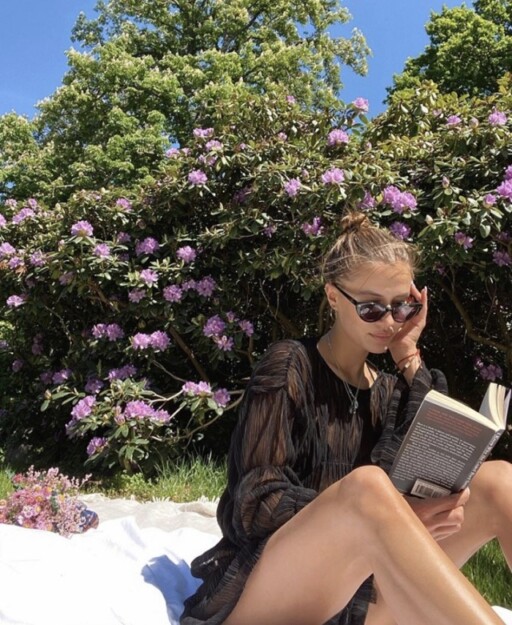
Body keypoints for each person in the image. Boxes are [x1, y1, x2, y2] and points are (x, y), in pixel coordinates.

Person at [181, 211, 512, 625]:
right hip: (264, 590)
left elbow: (430, 461)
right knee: (369, 489)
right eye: (372, 308)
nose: (389, 322)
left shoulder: (389, 391)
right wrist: (380, 512)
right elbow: (251, 507)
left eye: (401, 307)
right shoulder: (290, 366)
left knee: (503, 482)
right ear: (334, 296)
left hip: (356, 593)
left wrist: (408, 355)